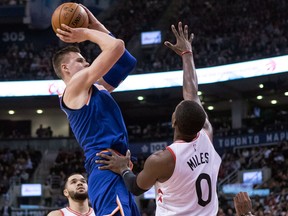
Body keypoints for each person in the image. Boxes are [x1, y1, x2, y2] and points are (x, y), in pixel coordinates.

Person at [96, 22, 222, 215]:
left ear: (173, 122)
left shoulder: (163, 159)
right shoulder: (206, 135)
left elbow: (136, 187)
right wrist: (187, 55)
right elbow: (192, 94)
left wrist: (123, 168)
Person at [51, 4, 140, 216]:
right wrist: (85, 33)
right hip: (105, 165)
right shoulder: (74, 88)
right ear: (65, 68)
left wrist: (95, 24)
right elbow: (116, 46)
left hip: (115, 165)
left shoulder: (94, 87)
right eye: (80, 60)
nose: (87, 62)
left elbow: (126, 61)